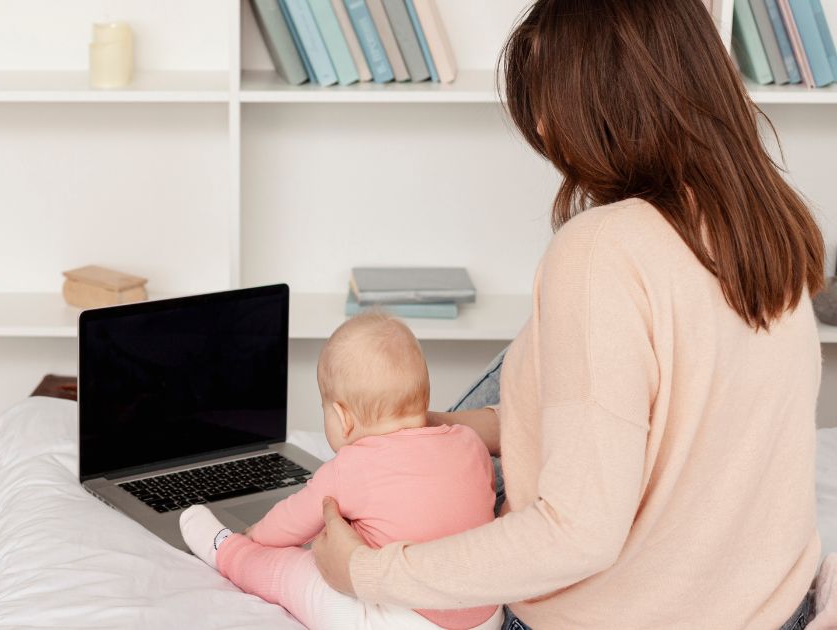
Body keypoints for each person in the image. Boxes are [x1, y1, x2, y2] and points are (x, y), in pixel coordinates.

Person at [307, 1, 835, 628]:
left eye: (549, 101)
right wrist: (441, 425)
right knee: (524, 367)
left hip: (627, 616)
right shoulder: (765, 229)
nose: (541, 127)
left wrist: (365, 571)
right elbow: (639, 416)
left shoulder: (600, 252)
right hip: (779, 607)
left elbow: (578, 533)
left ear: (607, 98)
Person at [179, 312, 503, 630]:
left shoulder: (350, 467)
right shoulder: (470, 442)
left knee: (297, 574)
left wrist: (254, 535)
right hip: (486, 613)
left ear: (342, 417)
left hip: (402, 619)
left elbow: (290, 523)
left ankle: (227, 550)